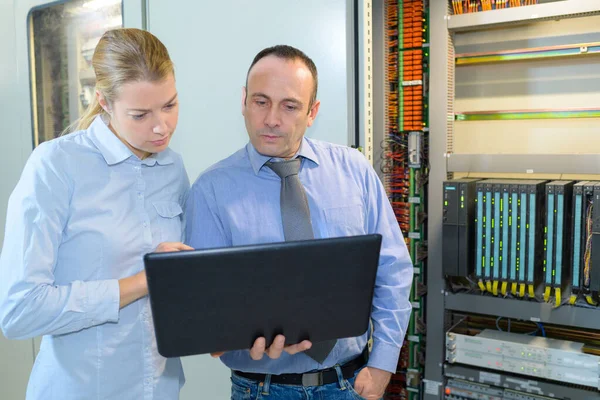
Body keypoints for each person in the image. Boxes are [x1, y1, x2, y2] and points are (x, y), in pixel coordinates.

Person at [185, 45, 413, 400]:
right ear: (244, 101)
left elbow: (392, 270)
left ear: (312, 112)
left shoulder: (353, 170)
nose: (272, 118)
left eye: (289, 106)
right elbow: (202, 307)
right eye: (261, 101)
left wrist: (383, 365)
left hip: (351, 384)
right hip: (260, 389)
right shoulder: (210, 191)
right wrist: (230, 339)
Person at [0, 28, 191, 400]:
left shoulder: (172, 168)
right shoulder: (56, 166)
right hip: (82, 389)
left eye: (169, 105)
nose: (161, 126)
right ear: (103, 101)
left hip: (161, 388)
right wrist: (141, 281)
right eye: (140, 114)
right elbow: (19, 311)